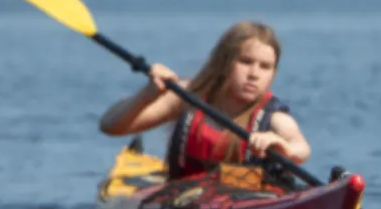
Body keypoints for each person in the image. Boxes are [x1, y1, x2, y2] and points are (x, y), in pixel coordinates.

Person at [98, 21, 310, 181]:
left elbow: (301, 148)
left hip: (246, 202)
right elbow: (111, 126)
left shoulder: (273, 118)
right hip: (182, 204)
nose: (254, 74)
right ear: (224, 62)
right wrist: (147, 94)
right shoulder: (189, 96)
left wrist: (285, 148)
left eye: (265, 67)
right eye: (245, 62)